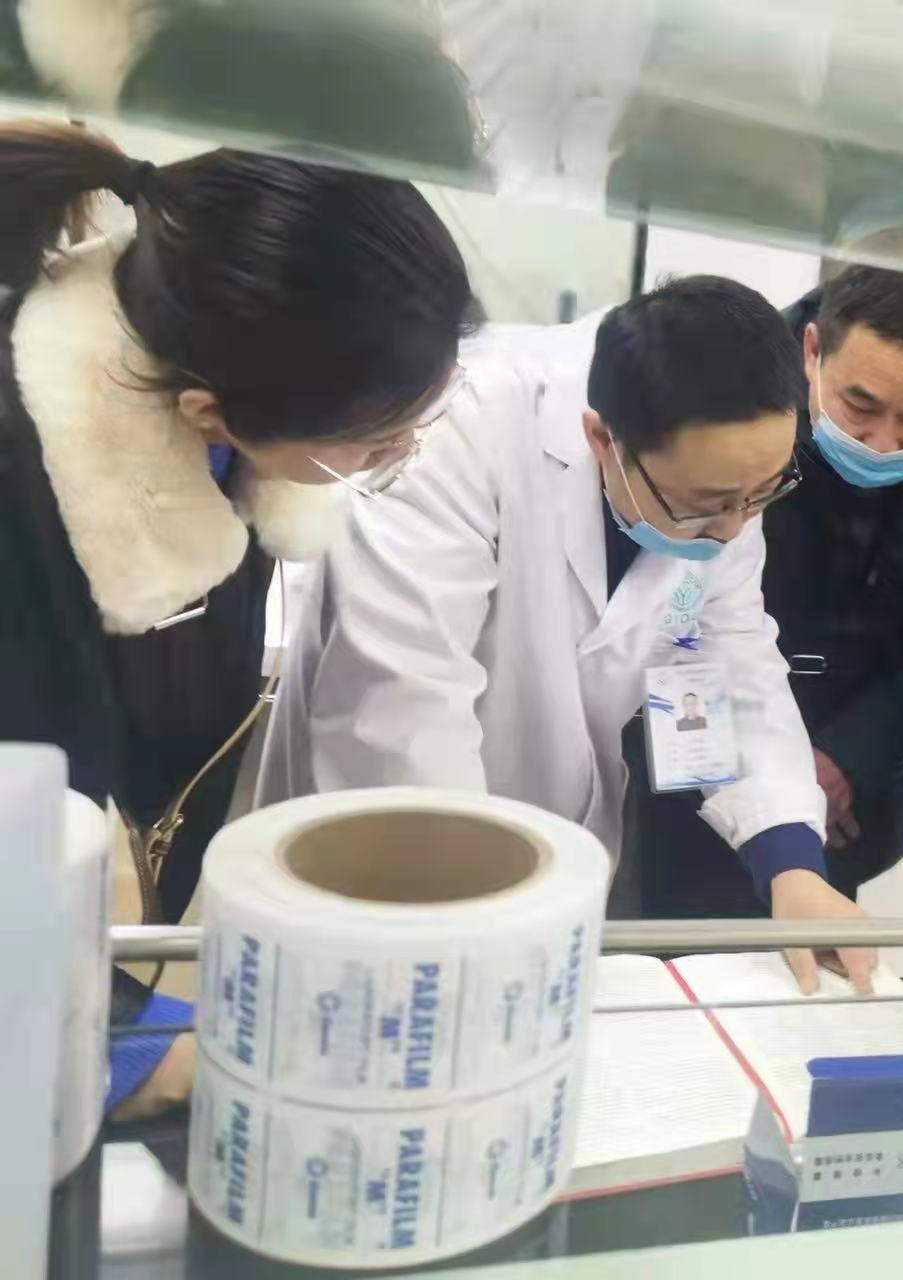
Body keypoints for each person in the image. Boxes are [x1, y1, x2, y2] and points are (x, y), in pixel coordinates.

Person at [0, 122, 479, 1114]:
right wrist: (131, 1047)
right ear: (207, 412)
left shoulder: (234, 429)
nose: (399, 457)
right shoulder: (21, 493)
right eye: (373, 443)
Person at [258, 276, 876, 994]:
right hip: (397, 850)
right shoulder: (459, 429)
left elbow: (725, 659)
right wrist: (471, 906)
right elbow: (405, 706)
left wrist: (792, 866)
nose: (735, 528)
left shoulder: (719, 474)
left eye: (761, 495)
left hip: (553, 866)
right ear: (600, 438)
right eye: (708, 504)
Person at [629, 265, 903, 917]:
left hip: (850, 771)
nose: (883, 444)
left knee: (808, 927)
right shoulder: (733, 398)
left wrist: (845, 758)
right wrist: (724, 755)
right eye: (861, 407)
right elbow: (690, 612)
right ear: (811, 351)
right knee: (676, 914)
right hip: (703, 714)